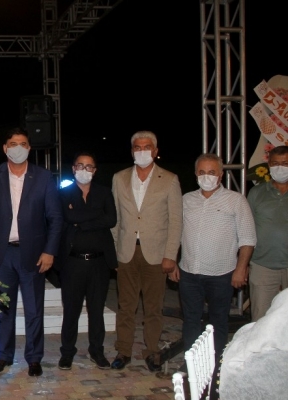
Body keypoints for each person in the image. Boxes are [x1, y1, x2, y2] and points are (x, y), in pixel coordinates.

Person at [0, 128, 63, 377]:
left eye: (23, 144)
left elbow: (56, 218)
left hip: (34, 254)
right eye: (13, 144)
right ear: (5, 148)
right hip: (1, 255)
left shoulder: (43, 177)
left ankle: (34, 358)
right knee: (3, 309)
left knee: (34, 310)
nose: (18, 148)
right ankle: (4, 356)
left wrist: (49, 251)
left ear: (29, 148)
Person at [110, 131, 182, 371]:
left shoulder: (169, 179)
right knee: (125, 307)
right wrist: (114, 251)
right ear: (132, 151)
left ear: (155, 150)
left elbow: (176, 221)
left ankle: (152, 352)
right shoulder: (119, 178)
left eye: (147, 147)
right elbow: (115, 219)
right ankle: (123, 351)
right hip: (126, 252)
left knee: (153, 308)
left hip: (156, 254)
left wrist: (170, 255)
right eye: (137, 147)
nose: (142, 151)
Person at [176, 153, 256, 358]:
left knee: (218, 321)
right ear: (196, 174)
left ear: (220, 175)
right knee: (191, 320)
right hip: (189, 273)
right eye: (202, 172)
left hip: (221, 274)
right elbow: (176, 233)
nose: (207, 176)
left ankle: (215, 365)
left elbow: (247, 238)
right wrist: (173, 262)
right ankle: (192, 365)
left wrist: (241, 269)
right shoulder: (186, 200)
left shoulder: (236, 200)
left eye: (212, 172)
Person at [57, 152, 117, 371]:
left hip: (99, 263)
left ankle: (97, 351)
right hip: (72, 263)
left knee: (97, 310)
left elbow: (111, 219)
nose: (84, 170)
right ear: (73, 168)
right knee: (71, 310)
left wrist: (81, 222)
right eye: (80, 165)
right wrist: (95, 216)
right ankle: (67, 352)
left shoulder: (104, 192)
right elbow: (68, 217)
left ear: (95, 170)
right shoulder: (63, 194)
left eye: (89, 166)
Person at [247, 145, 288, 321]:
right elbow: (246, 230)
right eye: (276, 163)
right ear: (269, 165)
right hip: (262, 265)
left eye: (285, 163)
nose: (280, 168)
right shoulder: (256, 193)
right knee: (260, 319)